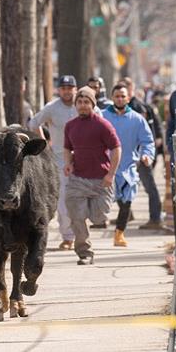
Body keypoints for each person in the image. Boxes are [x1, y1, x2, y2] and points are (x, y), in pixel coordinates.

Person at [64, 86, 121, 264]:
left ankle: (87, 210)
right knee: (76, 217)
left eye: (86, 102)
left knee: (99, 217)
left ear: (93, 104)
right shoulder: (70, 125)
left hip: (101, 180)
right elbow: (67, 148)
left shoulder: (102, 125)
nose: (82, 106)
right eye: (79, 102)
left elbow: (116, 148)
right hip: (78, 179)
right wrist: (68, 164)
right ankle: (85, 253)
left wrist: (111, 174)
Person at [101, 84, 155, 247]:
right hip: (106, 167)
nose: (120, 99)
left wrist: (147, 155)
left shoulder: (137, 119)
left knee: (126, 202)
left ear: (128, 98)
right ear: (112, 98)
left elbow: (147, 141)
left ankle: (119, 233)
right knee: (102, 205)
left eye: (123, 96)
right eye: (117, 96)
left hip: (128, 168)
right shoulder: (102, 117)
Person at [29, 75, 78, 250]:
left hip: (84, 158)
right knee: (64, 198)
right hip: (59, 158)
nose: (66, 91)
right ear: (59, 90)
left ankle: (81, 233)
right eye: (63, 88)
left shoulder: (84, 104)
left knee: (84, 196)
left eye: (69, 88)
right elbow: (33, 123)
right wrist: (45, 145)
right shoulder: (52, 108)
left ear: (75, 89)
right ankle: (68, 236)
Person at [119, 77, 164, 229]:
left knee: (149, 186)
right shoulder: (117, 109)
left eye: (126, 88)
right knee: (122, 186)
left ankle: (155, 218)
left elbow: (148, 132)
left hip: (140, 156)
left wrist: (147, 153)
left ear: (131, 90)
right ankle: (126, 214)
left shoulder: (139, 108)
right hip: (125, 156)